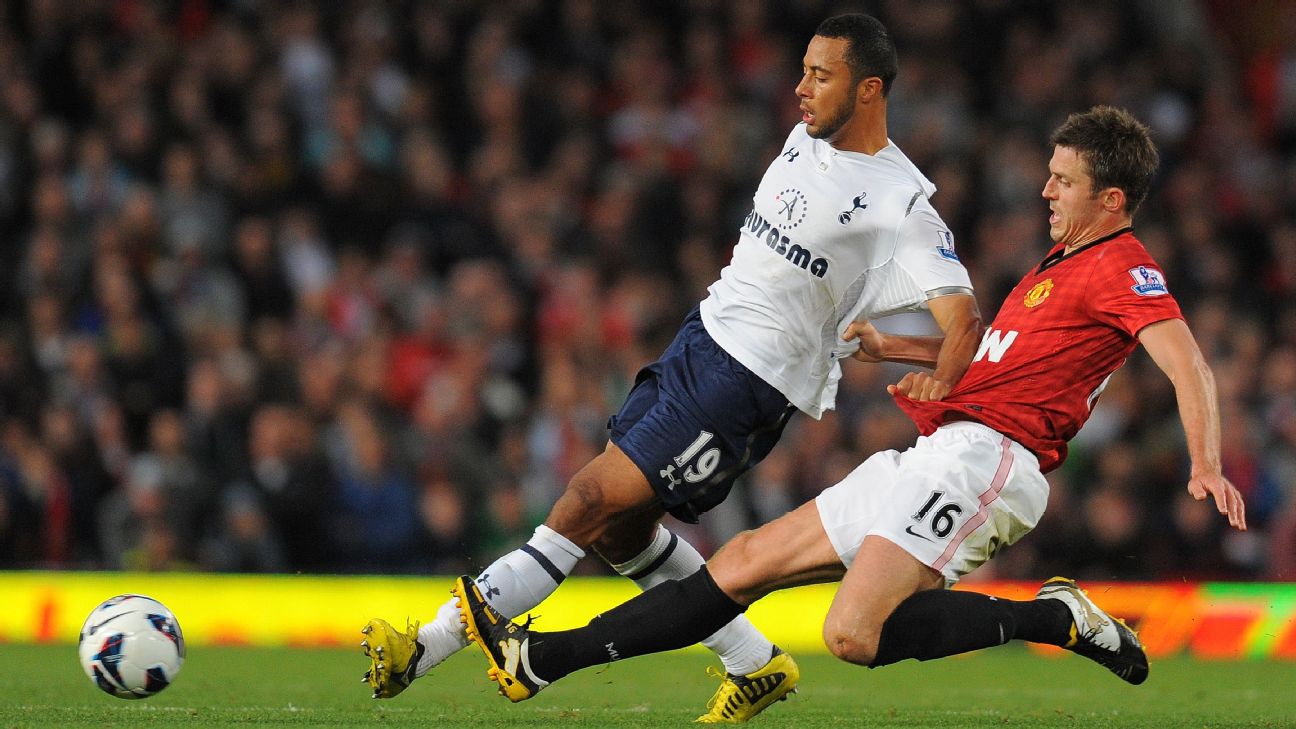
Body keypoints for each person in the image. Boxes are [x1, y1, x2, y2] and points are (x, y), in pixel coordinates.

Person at [452, 106, 1248, 714]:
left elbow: (1188, 362)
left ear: (1111, 199)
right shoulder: (1061, 263)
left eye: (1063, 180)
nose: (1044, 188)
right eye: (1048, 172)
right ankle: (543, 660)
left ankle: (1049, 618)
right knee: (744, 561)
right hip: (941, 448)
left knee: (851, 635)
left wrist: (1205, 462)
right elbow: (1000, 357)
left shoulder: (1123, 265)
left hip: (991, 462)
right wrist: (896, 349)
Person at [362, 13, 981, 723]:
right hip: (698, 340)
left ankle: (425, 646)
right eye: (803, 69)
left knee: (587, 500)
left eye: (820, 74)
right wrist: (885, 346)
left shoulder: (903, 203)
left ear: (869, 89)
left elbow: (965, 323)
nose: (801, 88)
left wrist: (935, 371)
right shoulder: (807, 138)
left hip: (745, 385)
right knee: (623, 532)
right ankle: (754, 661)